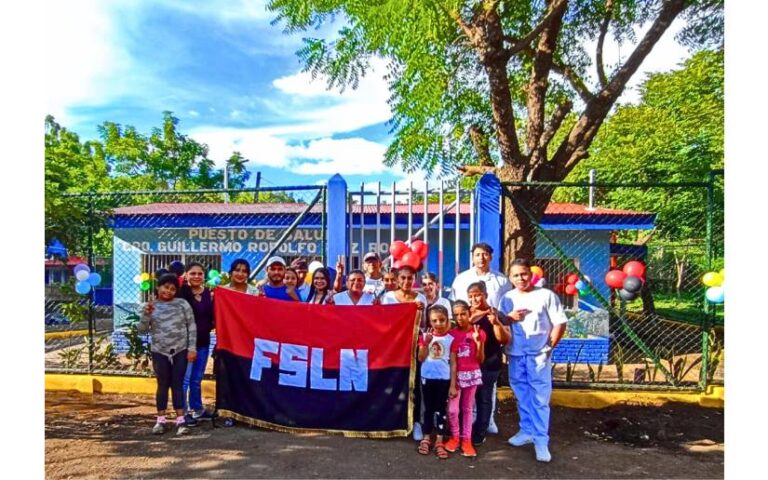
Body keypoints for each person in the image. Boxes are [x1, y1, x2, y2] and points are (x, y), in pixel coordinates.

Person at [499, 258, 568, 463]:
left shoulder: (546, 295)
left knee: (539, 397)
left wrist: (550, 345)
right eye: (516, 275)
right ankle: (526, 430)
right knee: (522, 394)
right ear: (510, 278)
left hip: (538, 354)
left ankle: (540, 440)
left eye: (524, 274)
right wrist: (509, 318)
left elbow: (559, 322)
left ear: (531, 274)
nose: (521, 278)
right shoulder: (507, 298)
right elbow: (501, 323)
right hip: (516, 353)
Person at [450, 242, 511, 434]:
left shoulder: (502, 280)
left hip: (491, 331)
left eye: (485, 254)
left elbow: (505, 308)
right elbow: (455, 306)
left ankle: (488, 419)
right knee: (467, 380)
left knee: (487, 385)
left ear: (491, 257)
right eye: (477, 254)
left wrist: (498, 321)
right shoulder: (461, 278)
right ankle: (471, 418)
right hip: (468, 332)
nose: (481, 258)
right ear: (472, 257)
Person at [139, 273, 197, 436]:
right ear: (158, 287)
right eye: (165, 287)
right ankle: (161, 420)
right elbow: (142, 330)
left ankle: (181, 421)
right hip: (159, 351)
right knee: (162, 385)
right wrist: (146, 314)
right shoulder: (151, 306)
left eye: (172, 289)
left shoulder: (182, 304)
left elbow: (191, 326)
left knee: (177, 384)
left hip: (180, 350)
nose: (168, 291)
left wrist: (192, 348)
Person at [380, 265, 427, 441]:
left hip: (413, 345)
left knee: (414, 385)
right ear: (397, 280)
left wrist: (420, 311)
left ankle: (415, 422)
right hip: (394, 347)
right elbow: (384, 324)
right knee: (393, 383)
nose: (407, 281)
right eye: (403, 278)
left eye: (410, 278)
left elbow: (423, 326)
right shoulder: (388, 297)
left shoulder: (420, 298)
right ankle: (393, 420)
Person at [466, 281, 511, 446]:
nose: (474, 299)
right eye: (470, 296)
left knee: (484, 397)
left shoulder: (494, 313)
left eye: (477, 295)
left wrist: (496, 323)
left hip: (490, 363)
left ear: (485, 294)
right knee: (468, 398)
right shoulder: (466, 314)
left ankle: (480, 431)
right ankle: (465, 429)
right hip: (469, 363)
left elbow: (504, 339)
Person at [177, 262, 216, 426]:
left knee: (196, 379)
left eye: (200, 274)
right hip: (185, 344)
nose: (196, 277)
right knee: (185, 380)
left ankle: (198, 409)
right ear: (186, 275)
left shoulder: (210, 294)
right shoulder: (181, 294)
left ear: (204, 276)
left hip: (203, 342)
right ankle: (183, 413)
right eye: (192, 273)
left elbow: (212, 317)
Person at [445, 300, 485, 458]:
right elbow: (453, 361)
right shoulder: (452, 335)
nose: (460, 317)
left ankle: (466, 440)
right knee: (453, 410)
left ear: (470, 314)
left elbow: (481, 359)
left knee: (468, 409)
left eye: (463, 314)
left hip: (472, 375)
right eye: (456, 315)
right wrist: (452, 383)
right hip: (456, 377)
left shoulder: (478, 332)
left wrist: (478, 342)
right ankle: (455, 436)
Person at [416, 304, 454, 460]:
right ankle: (426, 436)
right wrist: (426, 343)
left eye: (442, 320)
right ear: (429, 322)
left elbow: (453, 363)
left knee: (440, 409)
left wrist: (452, 384)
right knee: (428, 409)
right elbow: (420, 358)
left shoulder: (451, 338)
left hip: (443, 379)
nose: (438, 324)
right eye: (434, 321)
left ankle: (439, 439)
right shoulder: (425, 336)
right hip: (427, 378)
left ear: (447, 320)